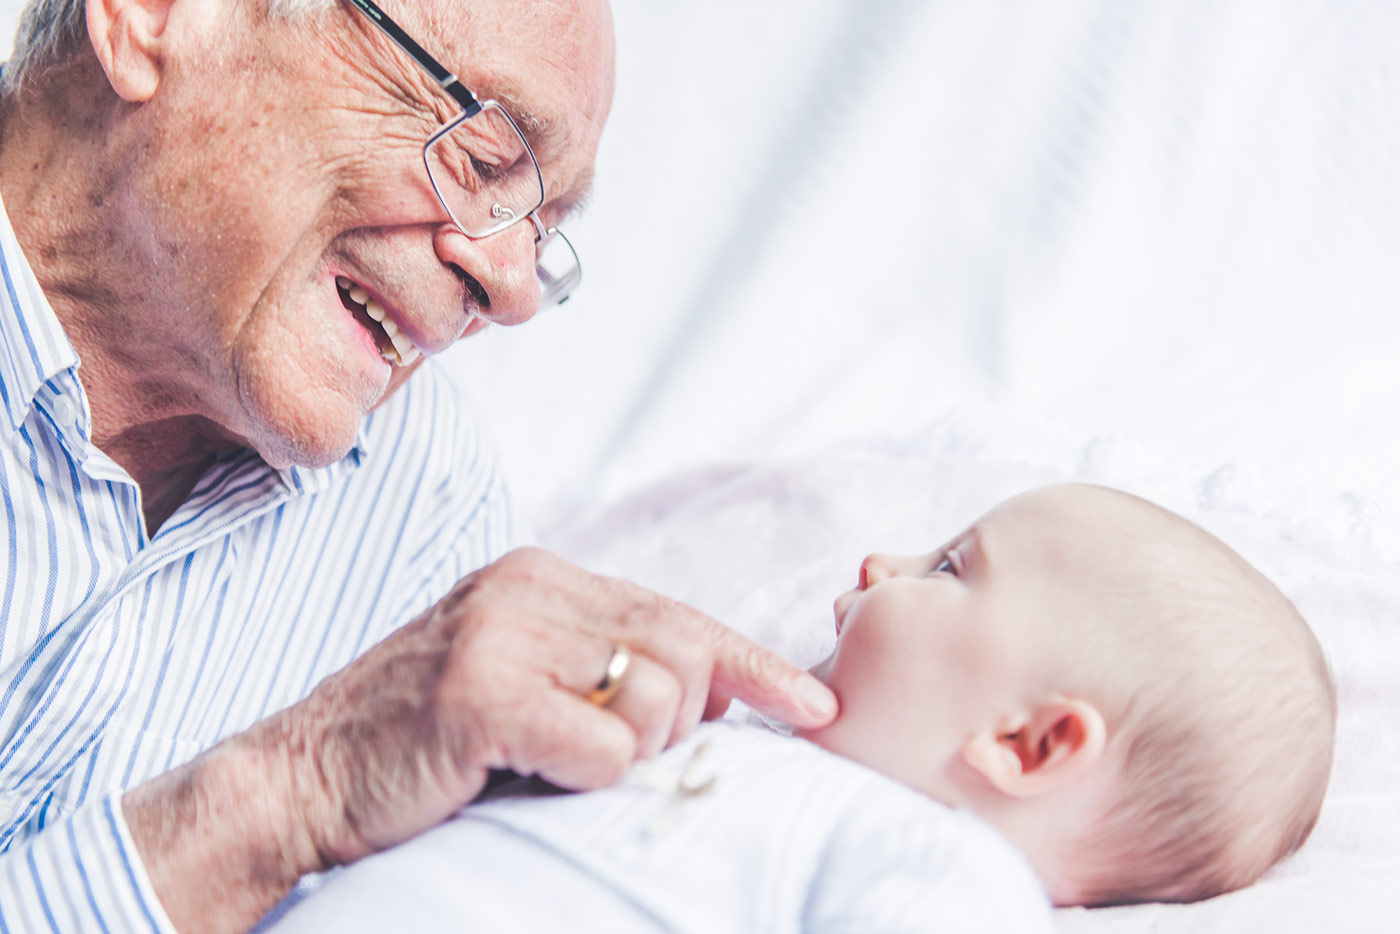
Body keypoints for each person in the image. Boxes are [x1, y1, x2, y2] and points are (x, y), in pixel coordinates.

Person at [0, 1, 837, 931]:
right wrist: (290, 795)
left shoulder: (427, 505)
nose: (512, 290)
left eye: (542, 227)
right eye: (482, 157)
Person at [265, 483, 1336, 931]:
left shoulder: (941, 869)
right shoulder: (736, 729)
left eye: (952, 567)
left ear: (1027, 740)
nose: (883, 560)